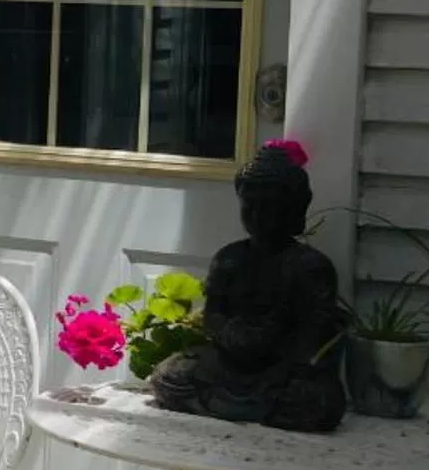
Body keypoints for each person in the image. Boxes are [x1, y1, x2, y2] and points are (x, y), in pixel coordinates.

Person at [148, 142, 346, 432]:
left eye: (269, 206)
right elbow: (213, 315)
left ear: (294, 208)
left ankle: (232, 406)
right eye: (249, 204)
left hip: (279, 368)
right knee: (169, 375)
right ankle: (249, 408)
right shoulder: (230, 259)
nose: (257, 215)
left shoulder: (311, 266)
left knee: (319, 400)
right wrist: (231, 333)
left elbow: (314, 332)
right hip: (229, 363)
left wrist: (274, 345)